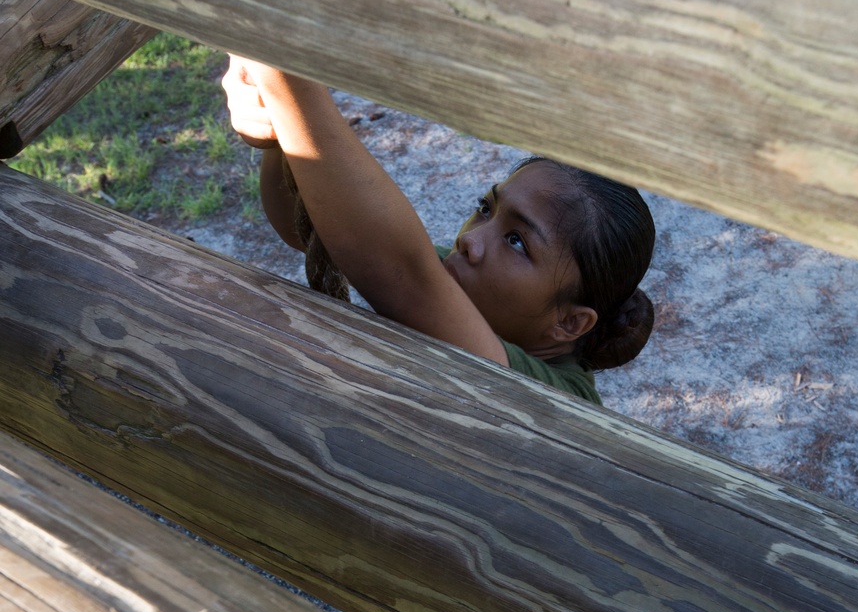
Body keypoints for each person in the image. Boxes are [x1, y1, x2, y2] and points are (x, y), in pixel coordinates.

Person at [222, 59, 657, 406]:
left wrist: (286, 76)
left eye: (517, 241)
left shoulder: (563, 402)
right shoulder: (466, 281)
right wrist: (276, 128)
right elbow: (312, 230)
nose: (470, 240)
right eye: (486, 208)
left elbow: (401, 275)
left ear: (569, 322)